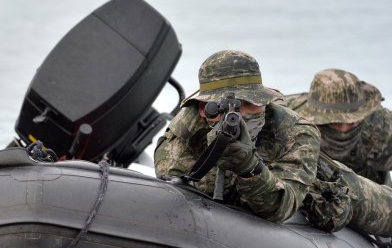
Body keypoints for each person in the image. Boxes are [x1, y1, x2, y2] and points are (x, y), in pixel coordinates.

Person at [154, 50, 319, 223]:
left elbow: (280, 209)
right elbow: (172, 196)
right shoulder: (187, 128)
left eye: (250, 103)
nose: (240, 116)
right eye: (225, 109)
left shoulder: (295, 133)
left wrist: (250, 168)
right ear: (203, 109)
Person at [283, 69, 392, 235]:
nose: (343, 129)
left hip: (369, 194)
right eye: (333, 123)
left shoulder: (381, 126)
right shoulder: (289, 119)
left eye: (352, 123)